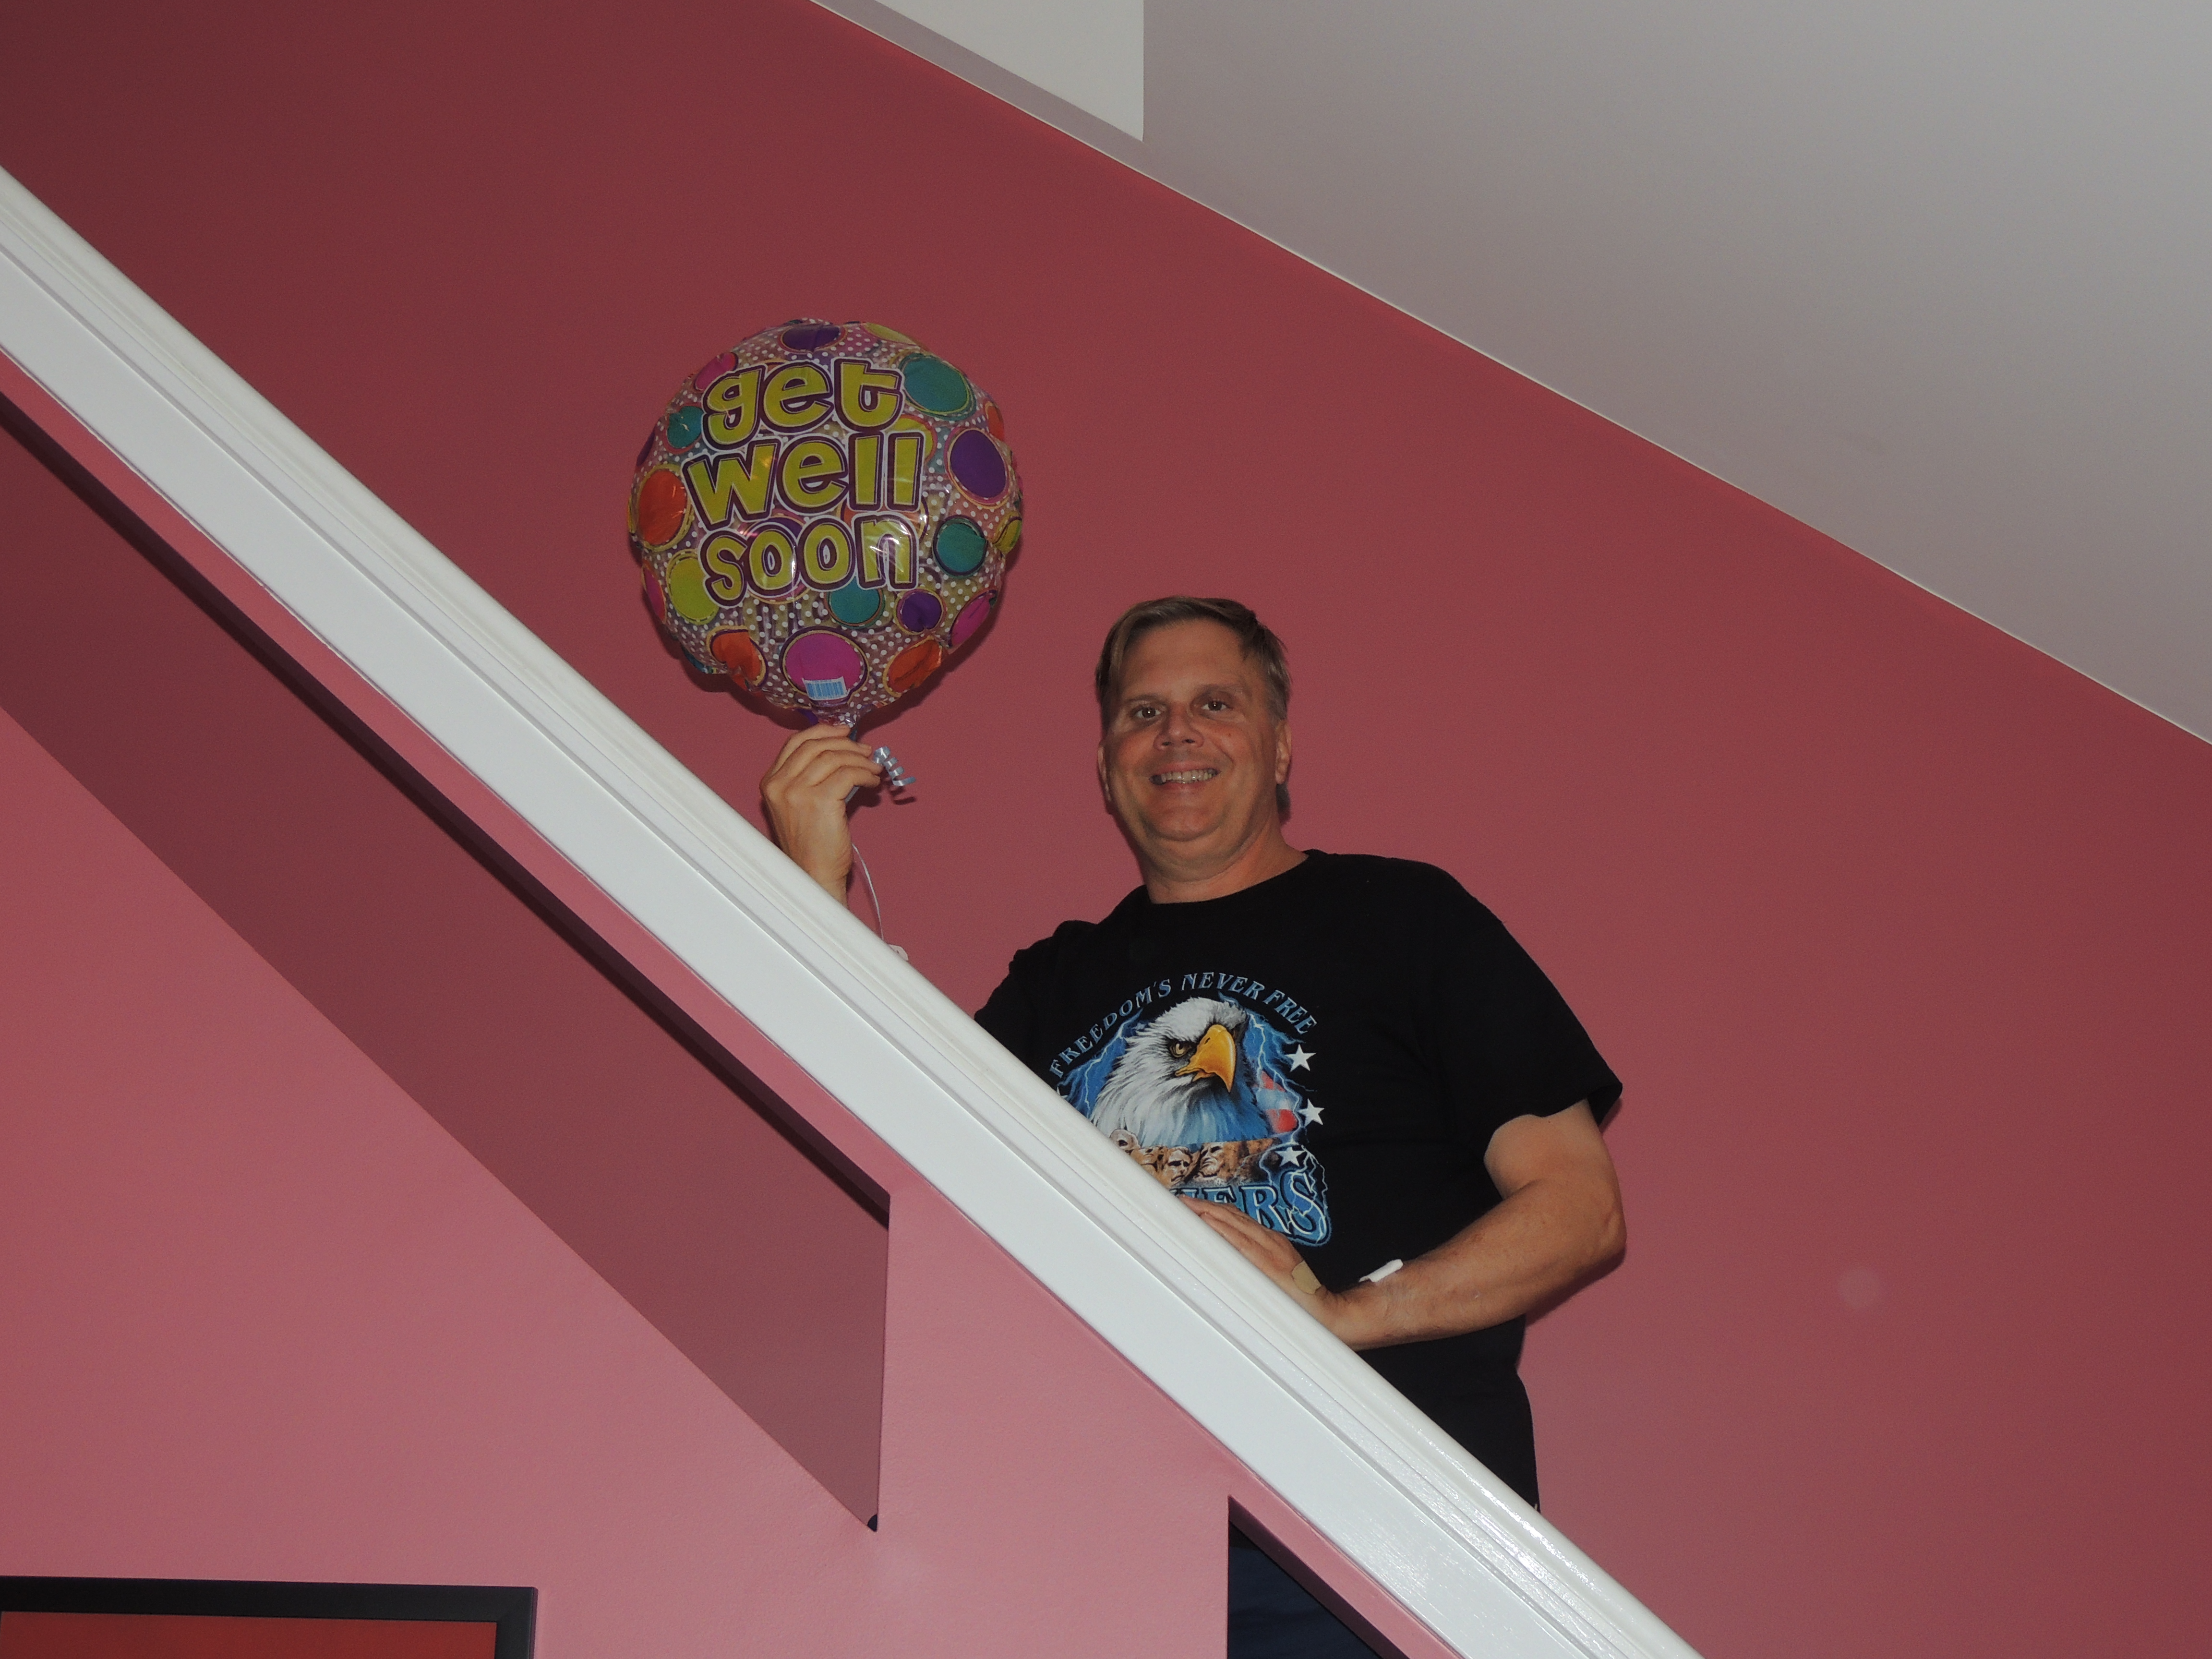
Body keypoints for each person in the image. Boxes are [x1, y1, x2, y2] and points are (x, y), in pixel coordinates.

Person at [763, 596, 1625, 1657]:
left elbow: (1579, 1209)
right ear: (1106, 768)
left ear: (1281, 748)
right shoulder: (1053, 982)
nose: (1176, 733)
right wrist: (812, 887)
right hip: (1088, 1541)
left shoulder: (1409, 921)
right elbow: (903, 1143)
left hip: (1371, 1547)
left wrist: (1342, 1319)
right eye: (1143, 713)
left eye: (1216, 704)